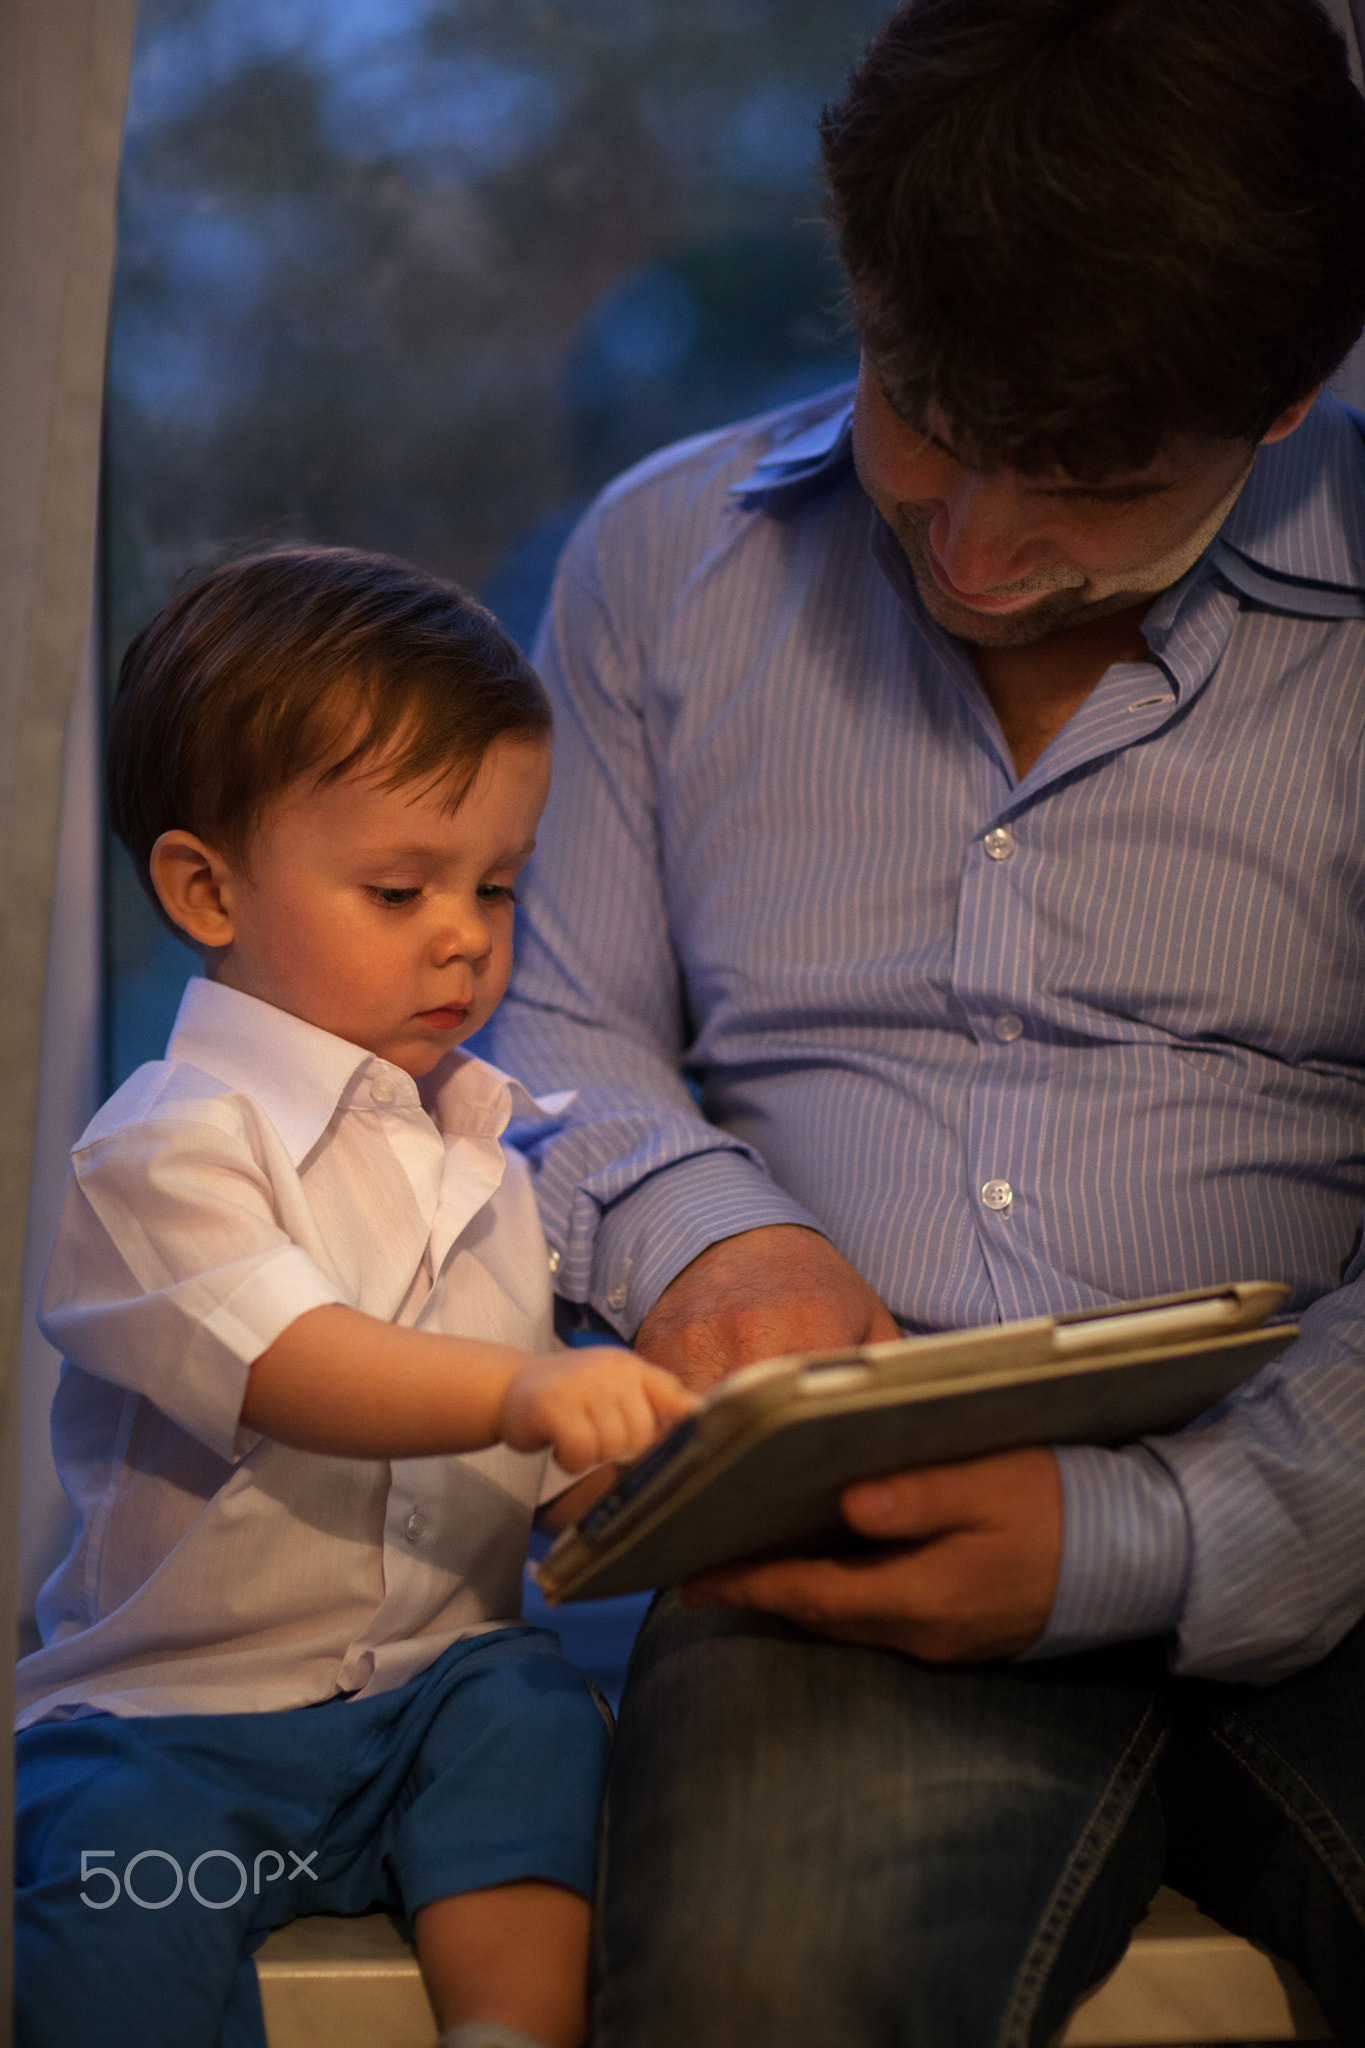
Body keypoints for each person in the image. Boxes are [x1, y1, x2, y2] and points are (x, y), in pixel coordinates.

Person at [483, 0, 1365, 2040]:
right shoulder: (664, 567)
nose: (970, 549)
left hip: (1329, 1474)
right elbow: (545, 1021)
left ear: (1289, 402)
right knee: (765, 1987)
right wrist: (723, 1235)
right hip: (839, 1539)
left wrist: (1145, 1531)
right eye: (916, 415)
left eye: (1084, 485)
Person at [13, 547, 695, 2048]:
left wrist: (626, 1472)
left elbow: (518, 1473)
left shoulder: (487, 1153)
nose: (463, 931)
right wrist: (527, 1388)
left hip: (431, 1696)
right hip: (178, 1720)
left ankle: (509, 2032)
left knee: (535, 1724)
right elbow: (295, 1364)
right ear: (206, 889)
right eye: (400, 888)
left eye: (496, 884)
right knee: (109, 1883)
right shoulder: (163, 1145)